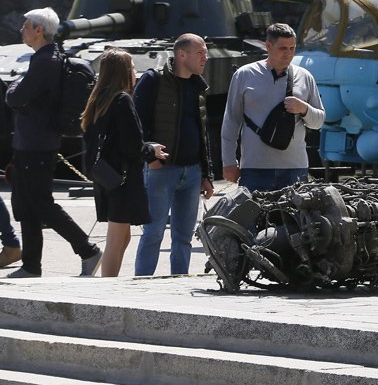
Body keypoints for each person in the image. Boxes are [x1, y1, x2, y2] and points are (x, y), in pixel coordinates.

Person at [5, 8, 101, 278]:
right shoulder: (46, 58)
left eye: (26, 26)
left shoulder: (45, 61)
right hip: (31, 144)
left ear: (39, 30)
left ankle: (87, 249)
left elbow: (15, 97)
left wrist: (14, 87)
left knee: (41, 204)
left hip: (36, 145)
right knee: (26, 205)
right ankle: (31, 266)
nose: (21, 30)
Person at [80, 48, 167, 277]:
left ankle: (110, 283)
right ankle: (108, 288)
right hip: (123, 178)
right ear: (122, 72)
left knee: (122, 236)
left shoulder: (98, 100)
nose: (135, 73)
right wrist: (151, 149)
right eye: (131, 68)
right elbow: (132, 145)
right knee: (117, 238)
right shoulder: (122, 100)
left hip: (107, 176)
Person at [132, 34, 213, 276]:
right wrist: (150, 158)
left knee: (184, 237)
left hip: (192, 173)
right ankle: (142, 284)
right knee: (153, 233)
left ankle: (178, 283)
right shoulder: (153, 80)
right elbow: (135, 124)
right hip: (161, 171)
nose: (205, 58)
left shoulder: (198, 85)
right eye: (200, 53)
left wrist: (206, 173)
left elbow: (203, 133)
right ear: (181, 54)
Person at [222, 23, 325, 192]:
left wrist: (304, 108)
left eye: (292, 48)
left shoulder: (305, 77)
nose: (288, 53)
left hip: (295, 169)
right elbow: (231, 121)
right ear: (268, 46)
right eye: (283, 48)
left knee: (294, 219)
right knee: (252, 218)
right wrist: (229, 162)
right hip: (255, 169)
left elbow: (319, 122)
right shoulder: (244, 75)